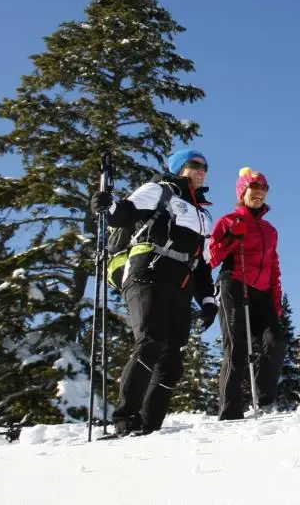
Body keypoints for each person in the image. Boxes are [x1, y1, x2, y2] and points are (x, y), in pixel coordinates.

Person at [91, 148, 218, 436]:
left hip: (182, 285)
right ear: (177, 168)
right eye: (194, 165)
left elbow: (202, 264)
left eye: (205, 167)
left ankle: (148, 428)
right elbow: (122, 214)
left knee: (172, 361)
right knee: (149, 342)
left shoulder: (203, 215)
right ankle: (124, 420)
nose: (201, 170)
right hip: (147, 273)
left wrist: (208, 300)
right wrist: (107, 205)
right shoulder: (157, 190)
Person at [208, 167, 286, 420]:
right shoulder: (228, 221)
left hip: (261, 292)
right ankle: (230, 411)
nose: (260, 193)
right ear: (243, 191)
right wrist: (231, 238)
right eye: (254, 187)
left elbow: (274, 268)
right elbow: (211, 258)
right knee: (237, 347)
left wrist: (275, 303)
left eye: (264, 188)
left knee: (274, 341)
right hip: (234, 284)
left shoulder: (270, 230)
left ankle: (264, 402)